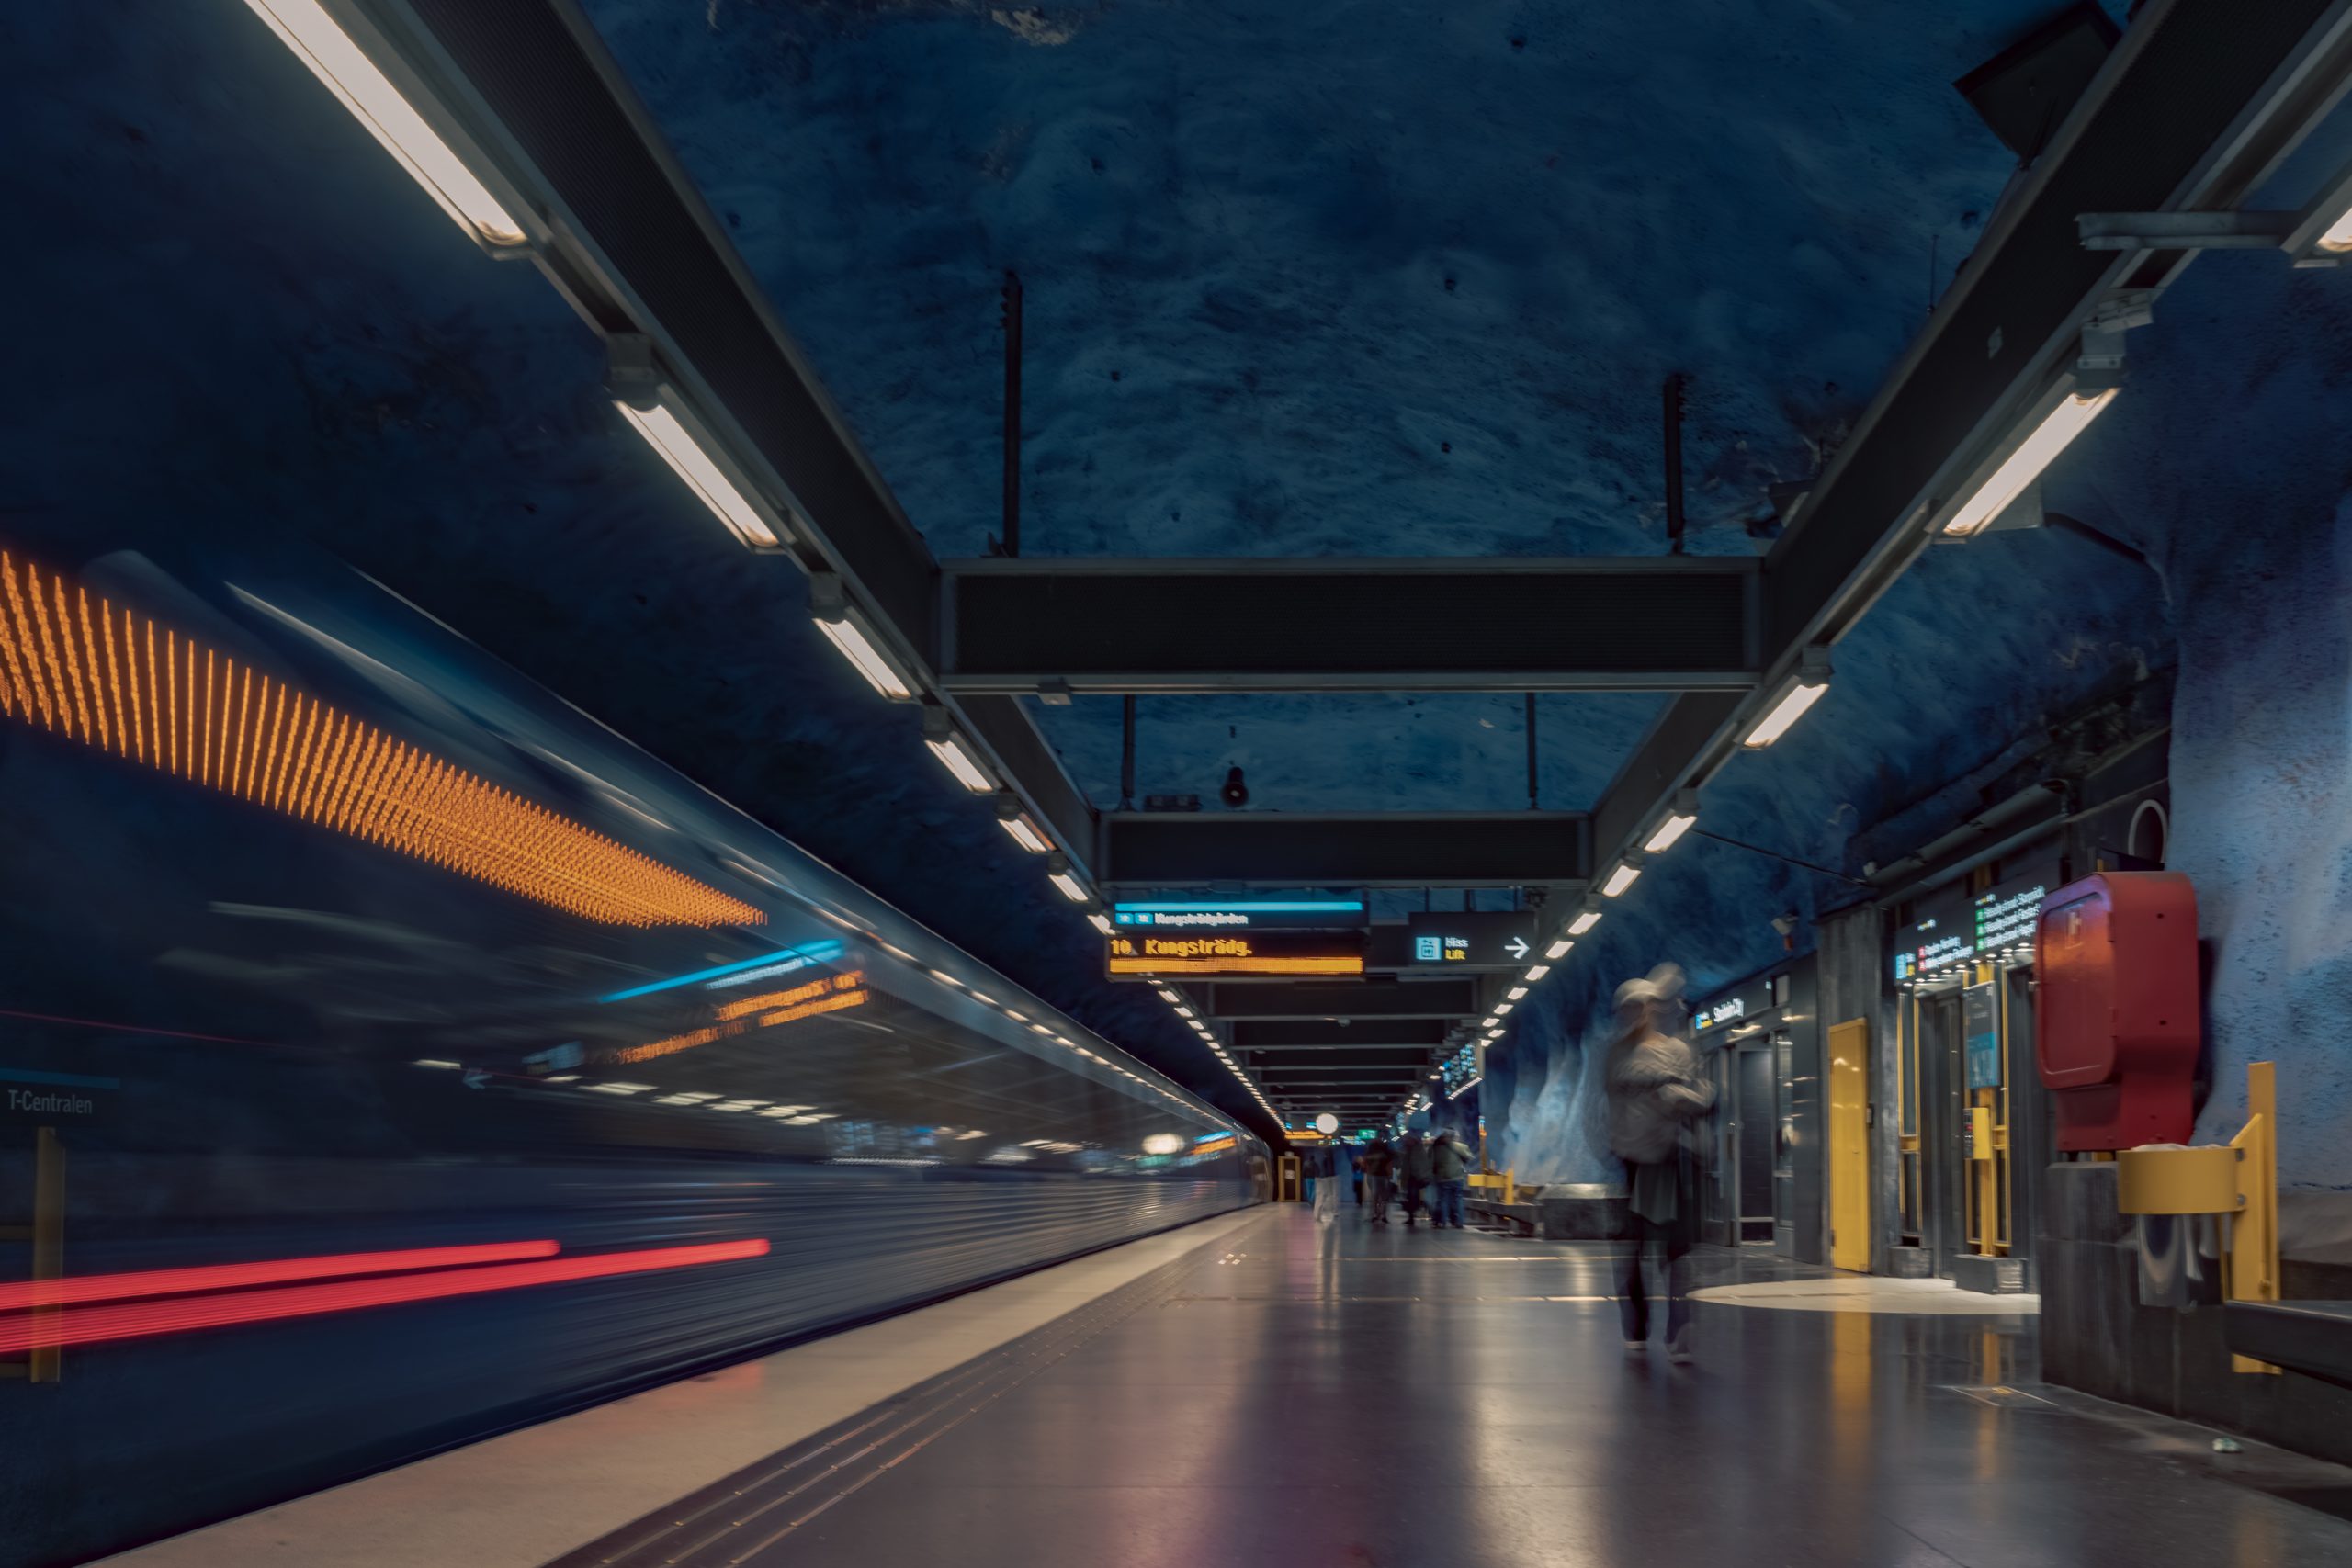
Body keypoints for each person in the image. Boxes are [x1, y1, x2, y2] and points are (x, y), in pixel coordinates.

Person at [1605, 963, 1715, 1362]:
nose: (1635, 1014)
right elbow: (1599, 1108)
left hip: (1667, 1159)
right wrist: (1612, 1146)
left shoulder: (1677, 1051)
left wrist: (1685, 1100)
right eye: (1629, 1008)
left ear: (1651, 1009)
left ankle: (1678, 1325)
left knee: (1673, 1249)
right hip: (1632, 1162)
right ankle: (1635, 1324)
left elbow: (1703, 1098)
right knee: (1634, 1249)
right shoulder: (1614, 1055)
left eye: (1642, 1007)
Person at [1428, 1128, 1473, 1229]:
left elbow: (1432, 1162)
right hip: (1457, 1177)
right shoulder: (1461, 1146)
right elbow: (1469, 1157)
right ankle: (1460, 1222)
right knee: (1458, 1199)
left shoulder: (1437, 1148)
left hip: (1442, 1178)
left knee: (1444, 1200)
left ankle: (1442, 1222)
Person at [1397, 1130, 1433, 1227]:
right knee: (1412, 1198)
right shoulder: (1410, 1149)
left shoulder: (1415, 1149)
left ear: (1411, 1139)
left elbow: (1414, 1165)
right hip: (1413, 1178)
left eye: (1406, 1139)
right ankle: (1412, 1216)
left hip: (1415, 1178)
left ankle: (1414, 1215)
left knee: (1413, 1198)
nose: (1405, 1140)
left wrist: (1417, 1176)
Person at [1357, 1135, 1396, 1225]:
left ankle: (1375, 1214)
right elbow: (1390, 1165)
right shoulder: (1386, 1153)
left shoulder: (1369, 1153)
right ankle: (1383, 1215)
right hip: (1384, 1176)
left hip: (1372, 1176)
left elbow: (1364, 1165)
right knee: (1384, 1197)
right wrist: (1390, 1176)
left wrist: (1361, 1163)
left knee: (1375, 1196)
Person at [1311, 1140, 1340, 1225]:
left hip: (1319, 1177)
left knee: (1320, 1196)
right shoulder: (1328, 1158)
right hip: (1325, 1178)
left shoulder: (1319, 1156)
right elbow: (1329, 1169)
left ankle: (1317, 1215)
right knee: (1324, 1196)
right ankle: (1319, 1215)